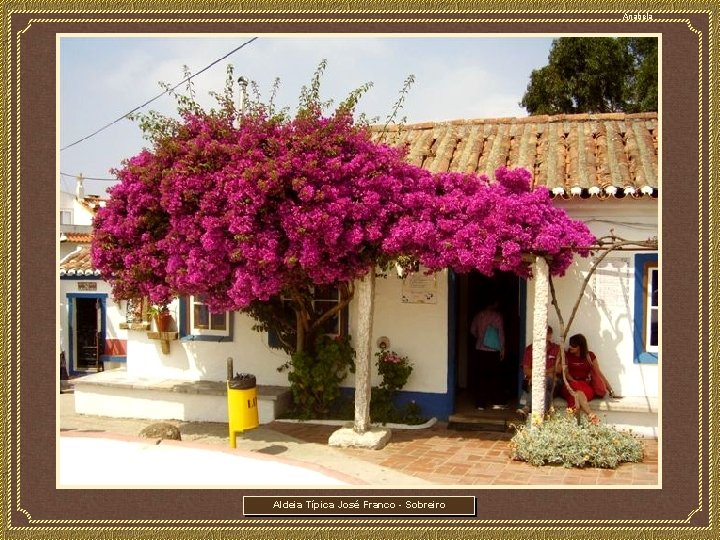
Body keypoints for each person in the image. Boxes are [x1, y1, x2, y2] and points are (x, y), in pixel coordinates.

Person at [559, 333, 615, 422]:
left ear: (580, 346)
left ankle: (573, 422)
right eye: (570, 344)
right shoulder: (567, 356)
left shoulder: (589, 356)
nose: (570, 347)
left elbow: (598, 373)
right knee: (576, 389)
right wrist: (574, 382)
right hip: (569, 385)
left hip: (585, 386)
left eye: (573, 345)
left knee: (576, 395)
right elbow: (565, 373)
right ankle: (591, 415)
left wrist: (610, 389)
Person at [469, 299, 505, 410]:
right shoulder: (497, 316)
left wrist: (481, 338)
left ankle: (480, 404)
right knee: (494, 377)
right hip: (493, 351)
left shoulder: (479, 315)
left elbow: (472, 330)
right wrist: (502, 348)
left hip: (480, 349)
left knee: (481, 376)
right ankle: (495, 402)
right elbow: (501, 334)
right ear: (494, 303)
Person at [518, 325, 561, 416]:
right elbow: (526, 371)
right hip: (532, 382)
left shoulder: (557, 349)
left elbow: (560, 368)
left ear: (550, 335)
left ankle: (527, 408)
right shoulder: (530, 349)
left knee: (542, 381)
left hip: (553, 382)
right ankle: (544, 414)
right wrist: (548, 372)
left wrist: (540, 374)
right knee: (543, 386)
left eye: (546, 334)